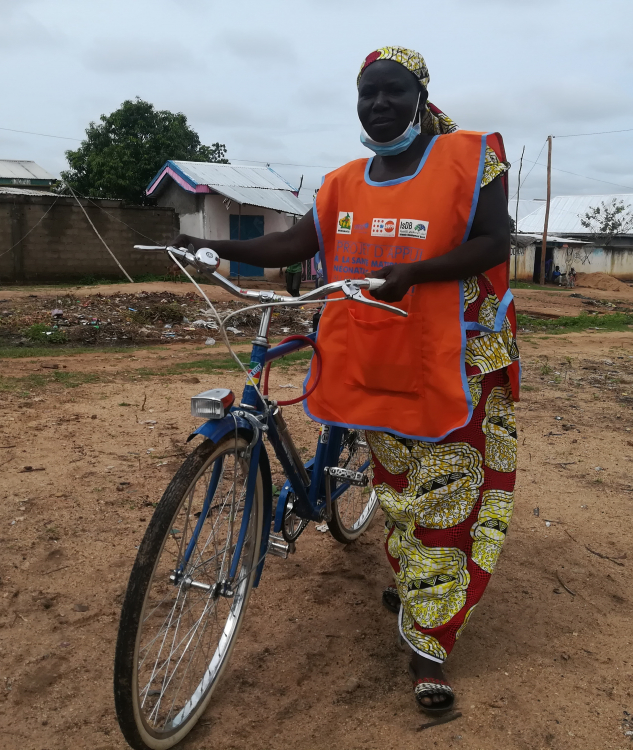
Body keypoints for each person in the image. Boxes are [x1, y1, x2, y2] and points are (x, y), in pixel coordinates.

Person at [171, 46, 519, 716]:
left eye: (392, 91)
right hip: (374, 358)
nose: (378, 103)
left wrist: (416, 272)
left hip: (456, 361)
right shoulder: (342, 182)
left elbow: (494, 242)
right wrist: (219, 248)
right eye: (367, 94)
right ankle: (419, 591)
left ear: (421, 95)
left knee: (449, 508)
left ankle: (428, 647)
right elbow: (299, 244)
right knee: (397, 497)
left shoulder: (471, 158)